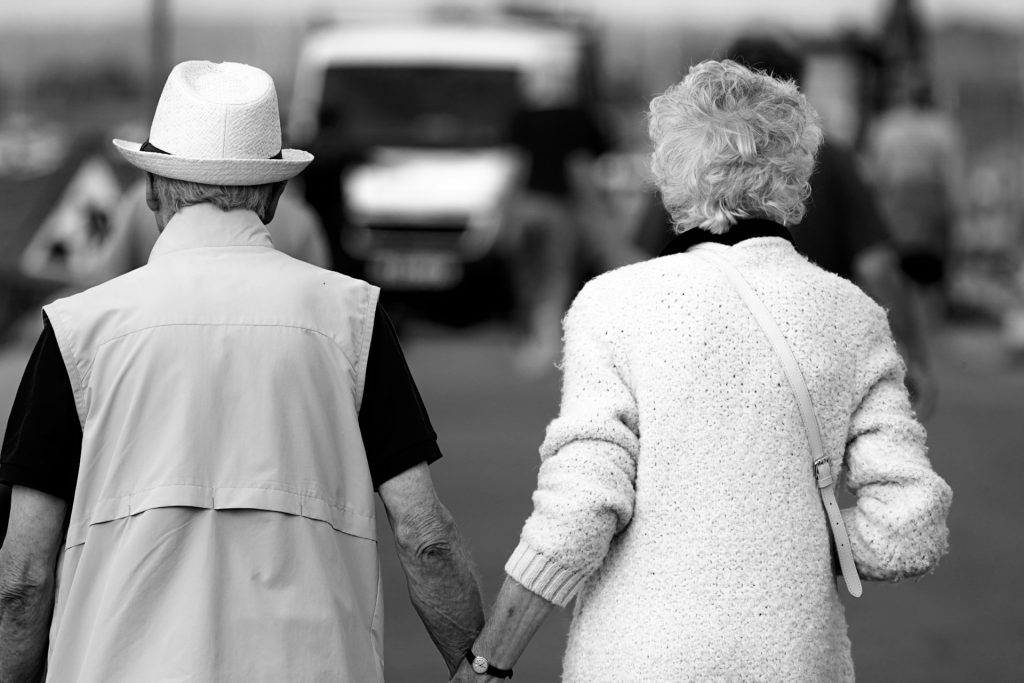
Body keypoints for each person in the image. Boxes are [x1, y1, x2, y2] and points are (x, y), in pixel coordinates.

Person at [453, 60, 952, 682]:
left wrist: (489, 661)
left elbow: (581, 504)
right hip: (793, 662)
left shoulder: (614, 303)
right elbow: (910, 525)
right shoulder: (852, 315)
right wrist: (785, 538)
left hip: (636, 659)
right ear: (797, 171)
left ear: (669, 170)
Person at [0, 61, 483, 681]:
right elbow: (425, 536)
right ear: (274, 196)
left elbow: (22, 577)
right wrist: (480, 667)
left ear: (149, 188)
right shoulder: (352, 317)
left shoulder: (76, 329)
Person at [635, 34, 938, 419]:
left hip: (705, 351)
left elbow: (642, 260)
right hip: (814, 355)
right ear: (796, 93)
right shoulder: (834, 160)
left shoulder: (686, 159)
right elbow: (878, 267)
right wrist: (912, 356)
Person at [504, 64, 613, 374]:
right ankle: (546, 340)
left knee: (528, 276)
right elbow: (579, 169)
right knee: (556, 276)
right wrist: (598, 213)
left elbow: (517, 168)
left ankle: (530, 340)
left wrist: (507, 212)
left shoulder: (523, 117)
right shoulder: (578, 118)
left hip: (527, 206)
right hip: (561, 209)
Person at [79, 175, 330, 285]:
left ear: (151, 190)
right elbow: (322, 292)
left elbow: (106, 277)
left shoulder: (136, 204)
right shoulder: (300, 217)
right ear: (275, 195)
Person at [865, 66, 966, 326]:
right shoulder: (943, 128)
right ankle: (933, 326)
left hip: (896, 208)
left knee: (900, 273)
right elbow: (951, 176)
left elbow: (876, 174)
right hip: (932, 209)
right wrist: (957, 211)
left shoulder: (885, 126)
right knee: (934, 274)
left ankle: (904, 324)